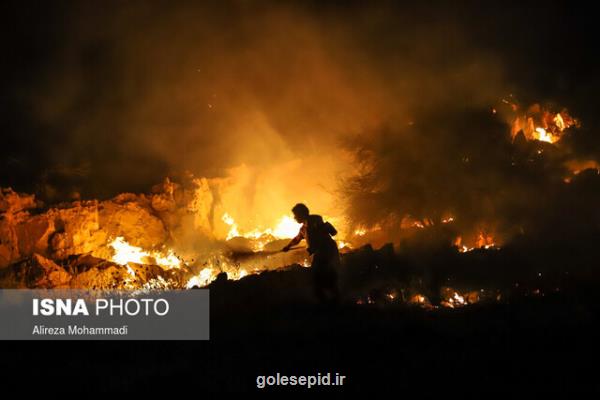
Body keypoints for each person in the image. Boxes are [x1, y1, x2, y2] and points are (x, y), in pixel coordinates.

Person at [282, 203, 340, 303]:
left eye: (296, 215)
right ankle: (332, 300)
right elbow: (297, 239)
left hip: (327, 251)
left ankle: (332, 301)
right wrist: (288, 246)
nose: (295, 218)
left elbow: (319, 230)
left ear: (301, 214)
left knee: (320, 275)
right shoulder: (303, 228)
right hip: (321, 253)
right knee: (321, 276)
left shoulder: (314, 220)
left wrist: (314, 245)